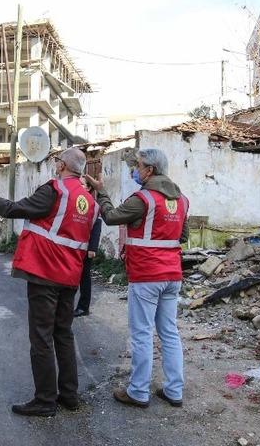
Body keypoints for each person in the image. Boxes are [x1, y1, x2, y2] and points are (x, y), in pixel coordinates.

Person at [0, 147, 97, 417]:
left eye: (57, 161)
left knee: (41, 336)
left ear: (62, 166)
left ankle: (45, 400)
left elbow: (14, 209)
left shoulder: (54, 191)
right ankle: (69, 395)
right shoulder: (88, 201)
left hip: (45, 272)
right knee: (63, 334)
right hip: (70, 276)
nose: (55, 164)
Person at [84, 148, 189, 409]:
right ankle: (174, 391)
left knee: (142, 333)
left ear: (150, 170)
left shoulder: (143, 199)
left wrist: (102, 192)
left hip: (146, 274)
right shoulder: (182, 199)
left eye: (138, 166)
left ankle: (139, 391)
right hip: (172, 275)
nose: (135, 170)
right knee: (169, 333)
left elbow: (111, 217)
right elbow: (183, 236)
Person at [74, 181, 102, 317]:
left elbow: (97, 226)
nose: (79, 186)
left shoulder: (92, 204)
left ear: (89, 187)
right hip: (73, 248)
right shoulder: (75, 200)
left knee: (84, 277)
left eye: (83, 184)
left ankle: (83, 307)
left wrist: (92, 248)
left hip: (85, 249)